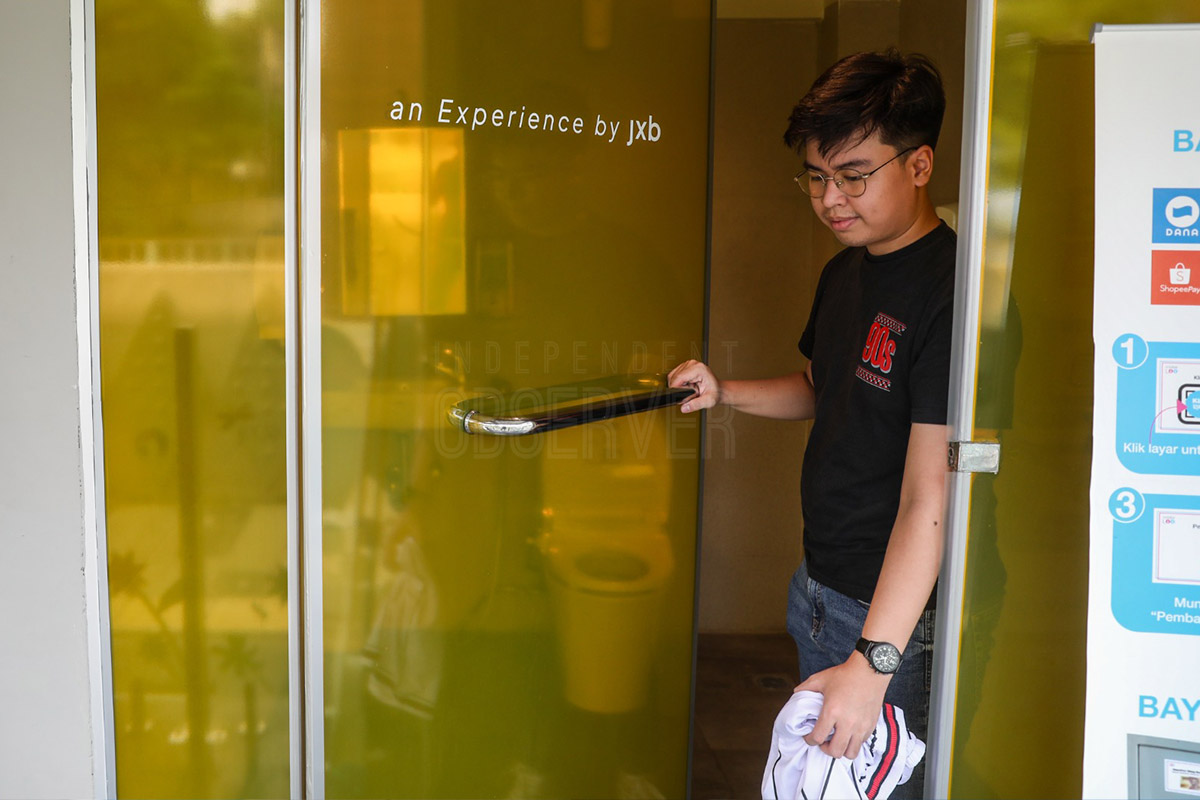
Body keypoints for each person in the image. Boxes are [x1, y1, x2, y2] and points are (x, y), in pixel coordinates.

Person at [669, 49, 953, 798]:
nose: (831, 199)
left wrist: (874, 663)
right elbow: (822, 389)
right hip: (818, 588)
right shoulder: (846, 271)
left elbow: (933, 496)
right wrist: (724, 389)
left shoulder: (949, 294)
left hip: (889, 621)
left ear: (919, 164)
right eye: (817, 177)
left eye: (854, 175)